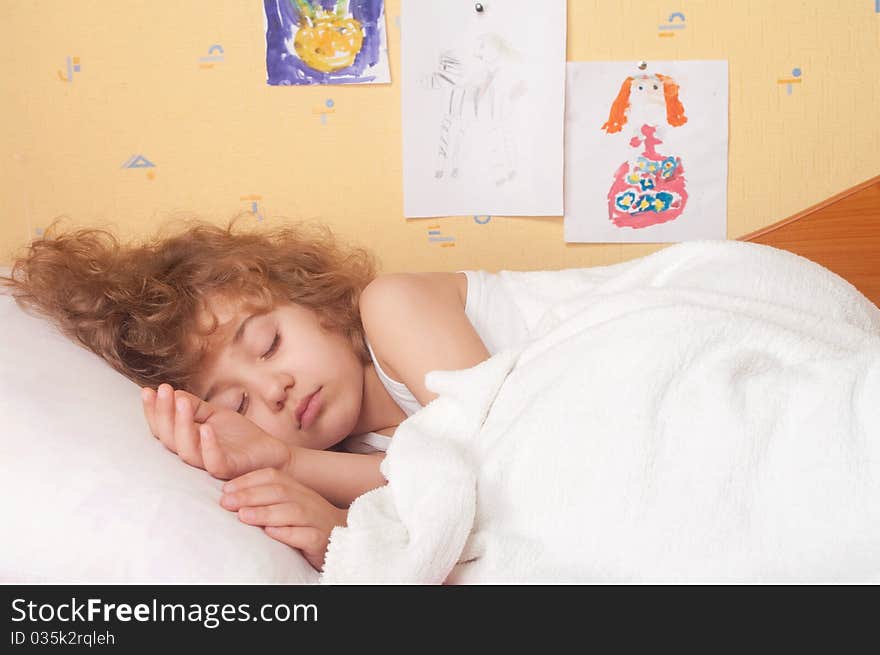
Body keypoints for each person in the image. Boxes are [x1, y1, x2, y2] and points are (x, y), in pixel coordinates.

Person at [0, 213, 529, 571]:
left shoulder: (393, 305)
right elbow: (443, 512)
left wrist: (292, 462)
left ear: (314, 300)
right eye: (239, 404)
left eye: (268, 342)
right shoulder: (362, 461)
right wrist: (338, 530)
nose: (275, 390)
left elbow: (499, 457)